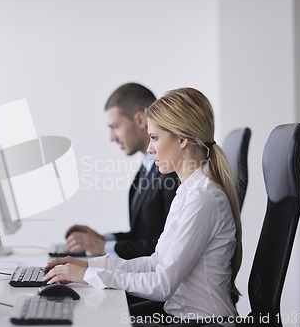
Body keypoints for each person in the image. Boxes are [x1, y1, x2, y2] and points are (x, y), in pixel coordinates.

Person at [44, 87, 242, 325]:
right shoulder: (188, 192)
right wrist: (88, 265)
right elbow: (154, 262)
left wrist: (89, 275)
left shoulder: (203, 198)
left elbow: (161, 285)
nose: (149, 149)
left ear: (182, 139)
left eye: (155, 138)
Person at [64, 83, 179, 259]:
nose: (111, 137)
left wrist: (104, 247)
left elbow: (168, 246)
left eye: (115, 127)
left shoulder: (171, 171)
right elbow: (140, 236)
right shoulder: (147, 168)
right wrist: (101, 239)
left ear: (140, 120)